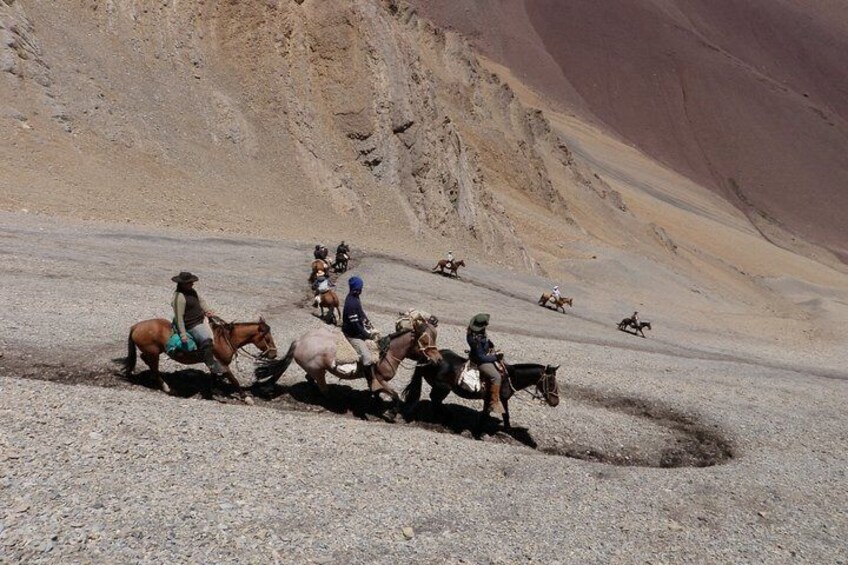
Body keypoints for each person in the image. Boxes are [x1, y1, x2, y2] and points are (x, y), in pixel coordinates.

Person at [171, 272, 224, 376]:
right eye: (190, 282)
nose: (192, 284)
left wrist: (207, 310)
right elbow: (179, 317)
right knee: (206, 339)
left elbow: (201, 301)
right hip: (191, 324)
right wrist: (183, 335)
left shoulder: (191, 291)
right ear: (182, 284)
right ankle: (211, 363)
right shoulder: (179, 298)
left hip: (201, 318)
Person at [466, 313, 505, 415]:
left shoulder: (479, 333)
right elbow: (481, 357)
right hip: (480, 361)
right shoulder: (475, 339)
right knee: (497, 377)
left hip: (485, 354)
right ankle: (494, 401)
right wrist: (496, 357)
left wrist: (489, 345)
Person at [342, 276, 377, 385]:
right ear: (357, 288)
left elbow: (361, 313)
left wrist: (368, 322)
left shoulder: (355, 297)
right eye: (361, 287)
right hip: (352, 335)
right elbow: (355, 324)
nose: (362, 289)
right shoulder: (351, 303)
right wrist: (367, 334)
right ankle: (370, 381)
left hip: (357, 330)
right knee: (367, 357)